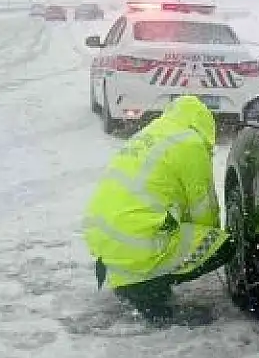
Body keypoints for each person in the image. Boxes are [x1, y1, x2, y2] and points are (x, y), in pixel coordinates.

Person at [83, 96, 235, 320]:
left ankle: (137, 282)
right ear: (205, 123)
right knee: (223, 245)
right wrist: (213, 241)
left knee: (163, 229)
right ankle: (149, 286)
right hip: (137, 244)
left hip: (106, 240)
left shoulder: (152, 134)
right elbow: (204, 208)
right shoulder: (191, 143)